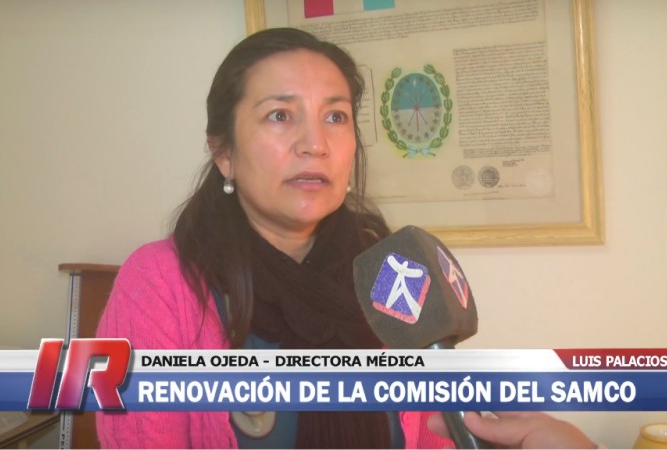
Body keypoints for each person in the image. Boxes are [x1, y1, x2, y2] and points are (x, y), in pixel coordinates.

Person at [95, 27, 595, 449]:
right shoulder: (160, 283)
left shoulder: (392, 274)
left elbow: (430, 436)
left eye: (335, 117)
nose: (315, 144)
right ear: (224, 153)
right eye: (280, 115)